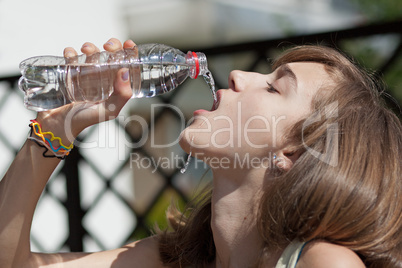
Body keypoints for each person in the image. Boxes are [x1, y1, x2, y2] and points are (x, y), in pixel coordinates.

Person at [0, 38, 400, 268]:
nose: (238, 75)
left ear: (294, 154)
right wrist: (53, 130)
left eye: (275, 87)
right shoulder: (176, 259)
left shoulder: (322, 262)